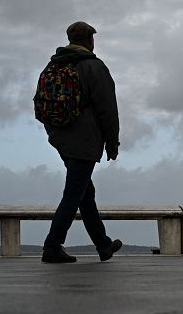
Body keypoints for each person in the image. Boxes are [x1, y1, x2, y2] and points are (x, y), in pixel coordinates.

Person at [38, 21, 122, 263]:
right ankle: (52, 246)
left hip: (60, 138)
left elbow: (43, 103)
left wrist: (56, 133)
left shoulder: (54, 65)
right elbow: (108, 108)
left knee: (85, 192)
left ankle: (103, 245)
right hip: (84, 140)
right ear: (90, 40)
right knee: (74, 193)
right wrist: (112, 143)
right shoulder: (93, 67)